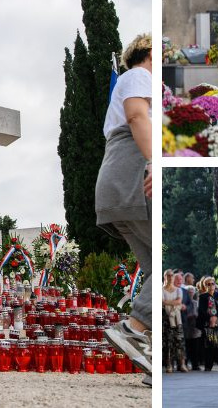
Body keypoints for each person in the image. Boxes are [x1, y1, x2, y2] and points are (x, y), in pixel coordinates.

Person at [97, 33, 153, 385]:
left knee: (153, 269)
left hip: (117, 180)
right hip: (133, 174)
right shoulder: (138, 74)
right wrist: (154, 162)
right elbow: (136, 117)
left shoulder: (134, 80)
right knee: (166, 265)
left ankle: (152, 366)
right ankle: (133, 327)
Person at [197, 276, 218, 372]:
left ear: (215, 285)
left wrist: (216, 317)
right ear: (205, 286)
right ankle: (208, 365)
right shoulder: (202, 297)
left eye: (212, 283)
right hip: (207, 323)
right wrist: (210, 318)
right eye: (208, 284)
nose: (211, 286)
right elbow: (201, 310)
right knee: (209, 344)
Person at [163, 270, 188, 373]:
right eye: (168, 275)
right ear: (165, 277)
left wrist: (168, 303)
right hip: (165, 318)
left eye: (171, 275)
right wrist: (174, 303)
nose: (170, 277)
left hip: (177, 320)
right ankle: (169, 364)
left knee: (180, 341)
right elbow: (161, 301)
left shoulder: (178, 290)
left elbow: (179, 301)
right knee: (168, 342)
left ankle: (182, 364)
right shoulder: (161, 290)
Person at [184, 285, 203, 370]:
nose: (191, 293)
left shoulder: (196, 302)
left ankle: (195, 364)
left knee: (196, 347)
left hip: (195, 327)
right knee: (186, 347)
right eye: (189, 292)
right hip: (186, 327)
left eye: (192, 292)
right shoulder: (183, 303)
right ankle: (184, 364)